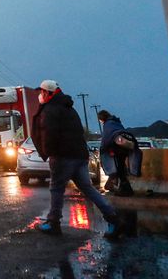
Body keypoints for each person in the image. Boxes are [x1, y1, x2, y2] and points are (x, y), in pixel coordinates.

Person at [32, 80, 120, 238]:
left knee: (57, 189)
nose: (41, 94)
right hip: (79, 156)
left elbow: (48, 134)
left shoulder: (50, 110)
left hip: (62, 156)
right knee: (88, 189)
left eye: (43, 92)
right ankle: (113, 218)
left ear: (49, 93)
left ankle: (53, 223)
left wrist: (49, 152)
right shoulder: (69, 109)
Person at [97, 109, 141, 197]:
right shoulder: (116, 122)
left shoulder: (107, 124)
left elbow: (106, 139)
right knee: (121, 167)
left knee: (118, 168)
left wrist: (103, 149)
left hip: (117, 148)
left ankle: (125, 189)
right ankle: (124, 188)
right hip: (125, 147)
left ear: (102, 118)